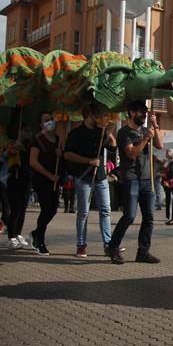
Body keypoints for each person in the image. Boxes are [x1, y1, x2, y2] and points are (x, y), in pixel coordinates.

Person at [106, 100, 164, 264]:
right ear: (131, 113)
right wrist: (146, 138)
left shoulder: (147, 129)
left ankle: (143, 252)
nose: (144, 115)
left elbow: (160, 145)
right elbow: (131, 154)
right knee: (130, 216)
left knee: (149, 217)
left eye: (145, 112)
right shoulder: (124, 132)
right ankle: (113, 246)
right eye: (140, 112)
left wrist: (155, 125)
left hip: (147, 179)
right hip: (131, 179)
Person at [63, 105, 117, 258]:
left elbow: (112, 147)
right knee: (83, 212)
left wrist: (109, 131)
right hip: (83, 177)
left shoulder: (100, 133)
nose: (99, 118)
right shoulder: (75, 133)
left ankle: (108, 244)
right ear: (89, 116)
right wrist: (88, 161)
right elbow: (67, 154)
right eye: (96, 115)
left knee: (106, 210)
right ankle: (81, 245)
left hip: (100, 178)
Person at [28, 112, 61, 256]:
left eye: (51, 119)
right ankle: (39, 241)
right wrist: (48, 175)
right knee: (46, 208)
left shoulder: (57, 139)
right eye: (46, 120)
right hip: (42, 180)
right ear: (41, 124)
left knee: (53, 209)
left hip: (55, 180)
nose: (50, 122)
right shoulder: (37, 140)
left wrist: (61, 154)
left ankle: (36, 232)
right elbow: (33, 161)